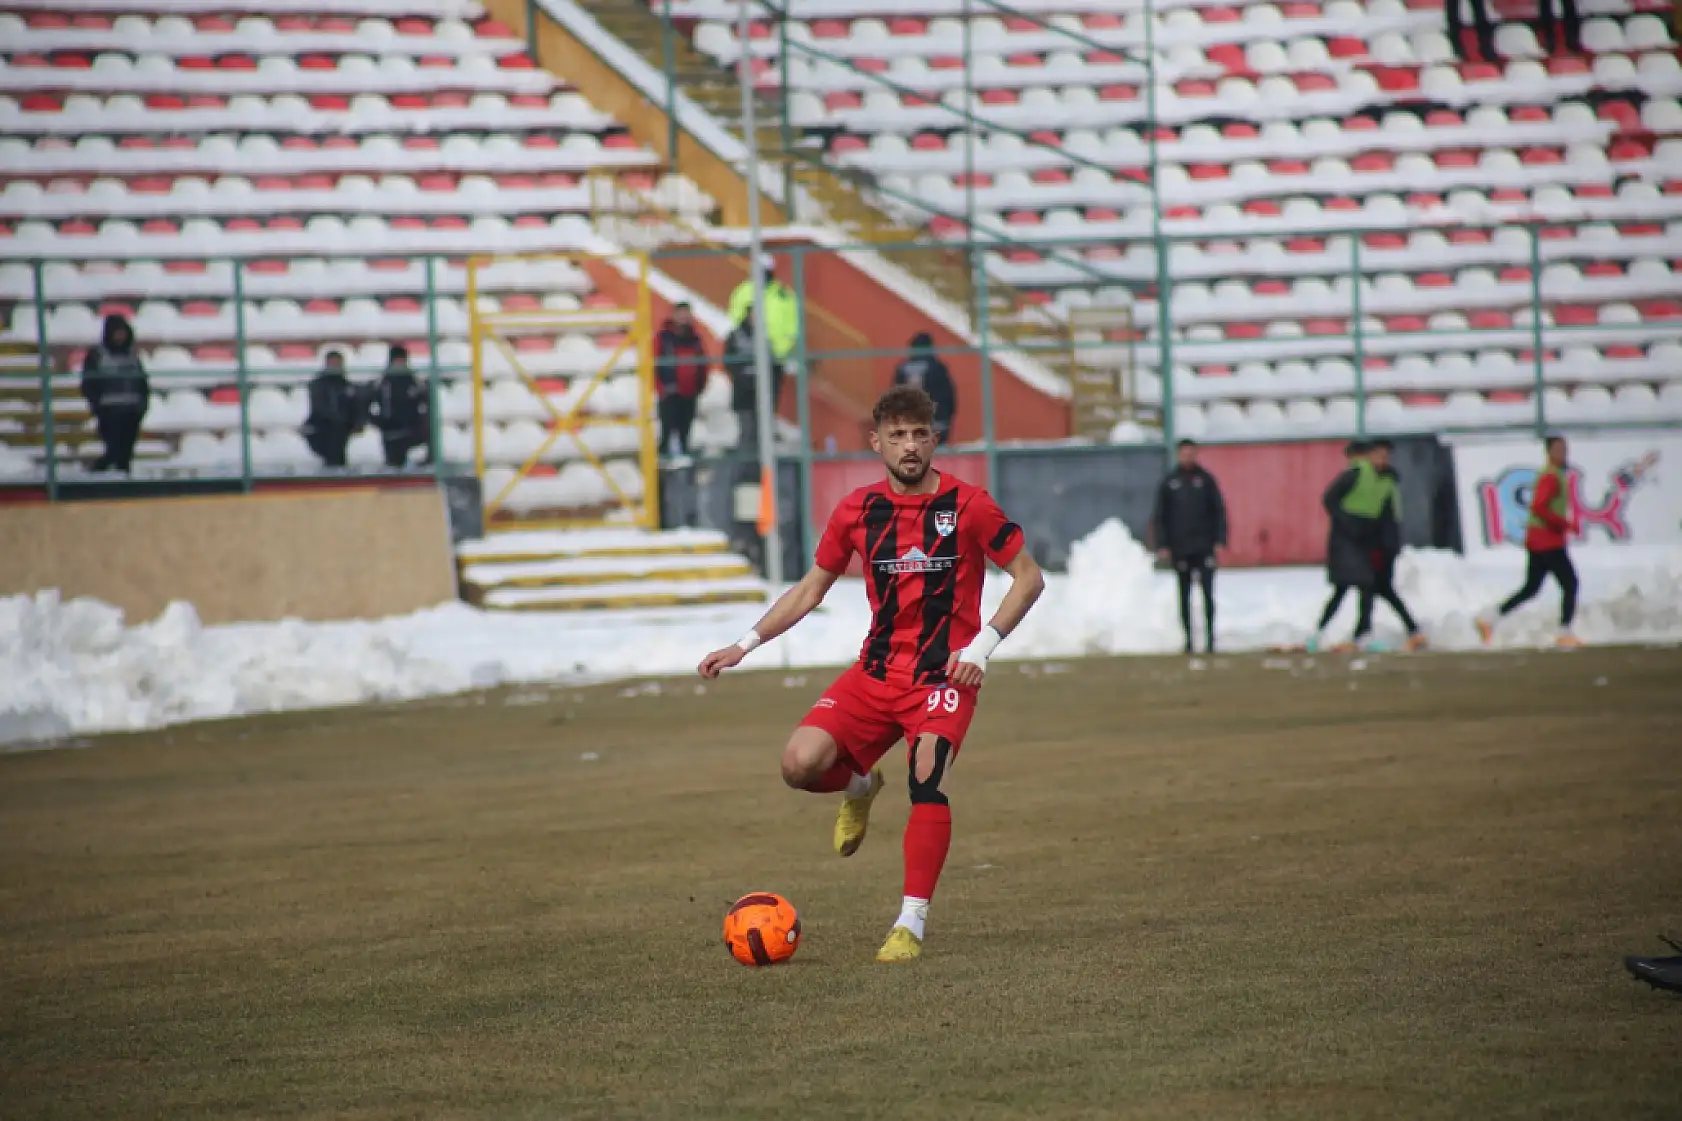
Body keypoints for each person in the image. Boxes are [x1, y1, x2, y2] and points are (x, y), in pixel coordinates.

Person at [697, 384, 1045, 964]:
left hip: (942, 678)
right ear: (876, 442)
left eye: (919, 434)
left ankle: (910, 923)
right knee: (798, 765)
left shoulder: (970, 505)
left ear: (935, 440)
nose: (909, 446)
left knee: (928, 775)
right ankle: (860, 786)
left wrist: (980, 648)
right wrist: (745, 643)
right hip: (875, 673)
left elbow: (1028, 577)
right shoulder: (857, 511)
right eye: (897, 435)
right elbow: (812, 588)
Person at [1477, 435, 1582, 648]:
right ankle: (1565, 631)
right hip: (1548, 541)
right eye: (1558, 449)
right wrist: (1565, 524)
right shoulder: (1551, 477)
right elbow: (1539, 507)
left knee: (1531, 588)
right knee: (1570, 583)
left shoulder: (1551, 475)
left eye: (1564, 449)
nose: (1563, 453)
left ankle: (1489, 619)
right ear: (1549, 452)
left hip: (1539, 539)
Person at [1151, 439, 1227, 655]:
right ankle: (1189, 641)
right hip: (1181, 548)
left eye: (1191, 453)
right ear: (1178, 455)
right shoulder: (1170, 482)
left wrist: (1220, 540)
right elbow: (1160, 516)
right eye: (1184, 454)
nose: (1188, 457)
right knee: (1184, 597)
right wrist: (1163, 544)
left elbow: (1218, 511)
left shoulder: (1206, 480)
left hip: (1204, 547)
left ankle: (1211, 639)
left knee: (1208, 595)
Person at [1351, 438, 1426, 652]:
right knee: (1381, 589)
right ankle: (1412, 629)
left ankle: (1363, 634)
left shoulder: (1383, 481)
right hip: (1378, 542)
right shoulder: (1379, 479)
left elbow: (1382, 515)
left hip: (1382, 544)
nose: (1381, 460)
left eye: (1384, 456)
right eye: (1378, 455)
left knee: (1372, 588)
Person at [1309, 440, 1372, 651]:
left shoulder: (1366, 477)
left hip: (1358, 541)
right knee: (1348, 588)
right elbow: (1329, 499)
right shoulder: (1354, 475)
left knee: (1363, 588)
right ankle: (1324, 631)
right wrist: (1349, 523)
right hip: (1349, 543)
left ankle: (1359, 632)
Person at [726, 252, 799, 416]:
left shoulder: (783, 295)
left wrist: (780, 349)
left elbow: (793, 326)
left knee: (769, 402)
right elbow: (736, 320)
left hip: (774, 357)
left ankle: (765, 434)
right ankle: (749, 437)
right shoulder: (743, 292)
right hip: (749, 357)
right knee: (747, 403)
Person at [79, 313, 149, 473]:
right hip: (109, 412)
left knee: (126, 454)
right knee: (114, 451)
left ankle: (123, 484)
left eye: (123, 332)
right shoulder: (97, 355)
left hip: (131, 412)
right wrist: (97, 406)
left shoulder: (132, 355)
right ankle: (97, 471)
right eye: (117, 332)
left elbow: (142, 382)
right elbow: (89, 383)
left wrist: (142, 406)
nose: (120, 336)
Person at [654, 303, 708, 462]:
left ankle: (684, 464)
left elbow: (703, 363)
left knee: (685, 432)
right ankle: (663, 466)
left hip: (690, 392)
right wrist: (660, 388)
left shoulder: (696, 338)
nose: (684, 317)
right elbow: (653, 362)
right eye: (681, 314)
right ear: (674, 315)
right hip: (669, 392)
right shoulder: (663, 337)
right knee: (667, 431)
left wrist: (701, 385)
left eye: (687, 314)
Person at [367, 344, 430, 469]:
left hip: (412, 429)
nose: (400, 363)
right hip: (392, 432)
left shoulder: (414, 381)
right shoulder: (383, 383)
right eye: (397, 360)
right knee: (395, 467)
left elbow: (426, 402)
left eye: (403, 360)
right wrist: (381, 422)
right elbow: (368, 405)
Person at [891, 333, 956, 443]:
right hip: (936, 423)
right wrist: (946, 417)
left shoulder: (902, 369)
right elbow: (948, 395)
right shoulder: (938, 368)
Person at [301, 350, 360, 468]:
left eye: (337, 363)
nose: (335, 366)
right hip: (323, 427)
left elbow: (354, 406)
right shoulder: (318, 384)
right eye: (332, 363)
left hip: (342, 428)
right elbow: (319, 408)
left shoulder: (347, 385)